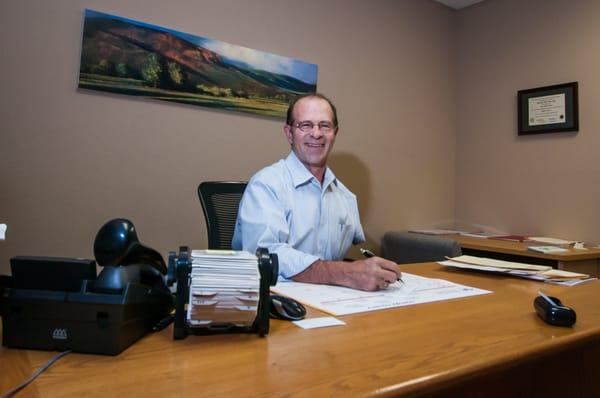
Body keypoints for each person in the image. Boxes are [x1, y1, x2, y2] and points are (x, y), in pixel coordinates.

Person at [232, 93, 401, 291]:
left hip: (331, 302)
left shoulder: (345, 197)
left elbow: (345, 256)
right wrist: (347, 273)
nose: (316, 133)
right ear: (289, 133)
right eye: (305, 125)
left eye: (325, 125)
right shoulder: (265, 185)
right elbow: (265, 256)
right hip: (276, 301)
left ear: (335, 133)